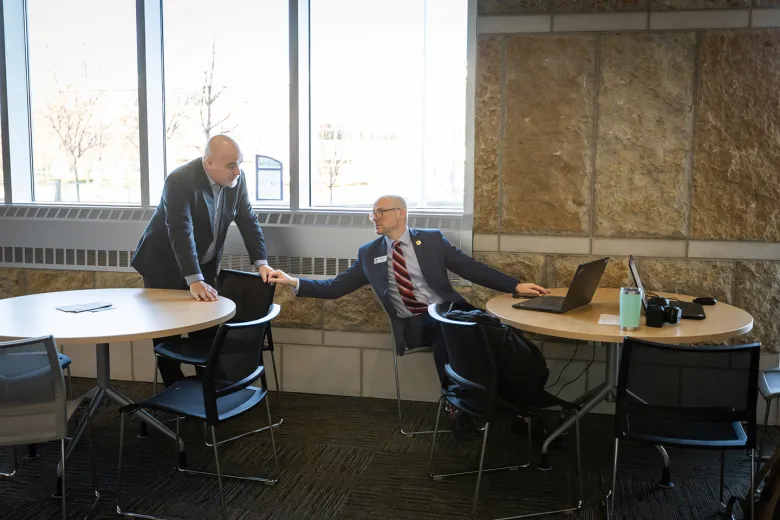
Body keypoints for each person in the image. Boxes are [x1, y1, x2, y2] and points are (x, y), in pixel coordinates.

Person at [269, 194, 548, 436]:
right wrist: (293, 281)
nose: (374, 217)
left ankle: (518, 406)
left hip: (452, 313)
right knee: (449, 329)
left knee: (497, 334)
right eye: (372, 213)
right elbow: (335, 287)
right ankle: (466, 407)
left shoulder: (431, 240)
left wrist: (514, 285)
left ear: (401, 213)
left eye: (380, 211)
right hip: (415, 323)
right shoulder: (369, 254)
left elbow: (470, 268)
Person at [131, 134, 273, 386]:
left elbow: (247, 219)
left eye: (239, 163)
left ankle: (207, 388)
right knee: (168, 333)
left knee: (207, 328)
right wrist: (194, 279)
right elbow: (180, 230)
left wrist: (261, 262)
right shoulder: (180, 180)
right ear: (209, 163)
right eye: (231, 165)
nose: (238, 171)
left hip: (203, 265)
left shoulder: (236, 180)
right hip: (163, 265)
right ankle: (175, 390)